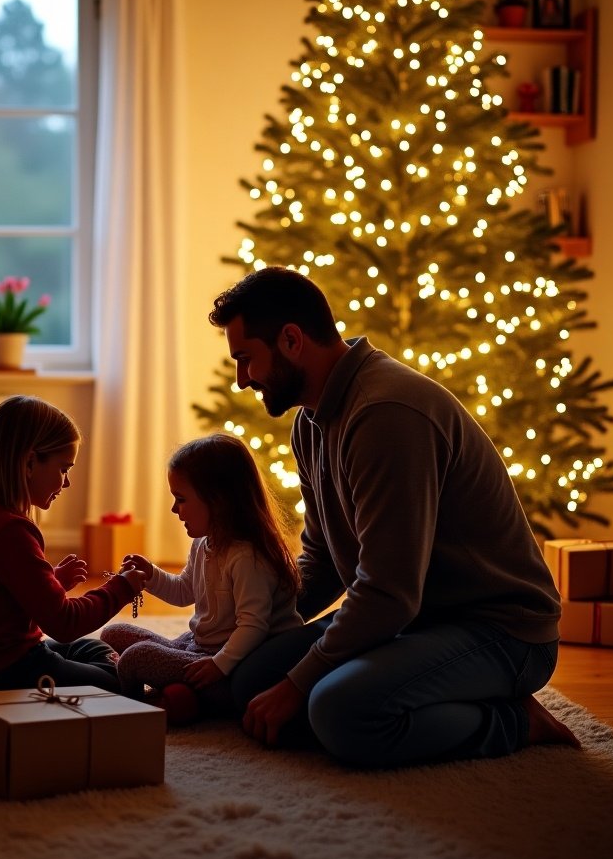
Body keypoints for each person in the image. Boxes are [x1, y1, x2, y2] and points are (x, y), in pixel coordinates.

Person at [207, 266, 579, 767]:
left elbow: (388, 591)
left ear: (291, 340)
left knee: (338, 710)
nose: (241, 379)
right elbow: (321, 559)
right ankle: (420, 687)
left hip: (497, 630)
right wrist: (245, 625)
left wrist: (299, 683)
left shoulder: (386, 413)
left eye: (246, 359)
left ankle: (514, 720)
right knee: (250, 678)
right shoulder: (310, 423)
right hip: (411, 616)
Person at [0, 395, 145, 699]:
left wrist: (52, 581)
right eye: (63, 469)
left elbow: (1, 595)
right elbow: (64, 623)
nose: (66, 482)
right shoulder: (10, 529)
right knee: (120, 677)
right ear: (30, 462)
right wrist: (121, 588)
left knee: (92, 647)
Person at [100, 433, 303, 725]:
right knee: (114, 633)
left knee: (135, 658)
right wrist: (151, 575)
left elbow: (254, 625)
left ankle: (140, 710)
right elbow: (185, 591)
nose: (174, 509)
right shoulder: (204, 543)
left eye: (180, 499)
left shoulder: (247, 557)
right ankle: (175, 696)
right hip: (197, 647)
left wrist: (219, 665)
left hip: (231, 665)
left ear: (218, 501)